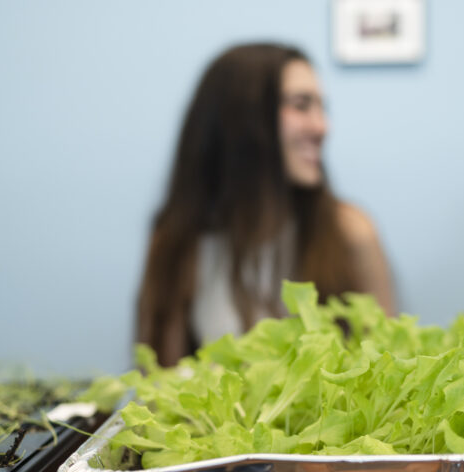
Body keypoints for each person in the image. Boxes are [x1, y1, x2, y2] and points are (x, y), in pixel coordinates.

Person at [135, 43, 395, 366]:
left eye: (320, 108)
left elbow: (387, 373)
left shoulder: (351, 232)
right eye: (301, 106)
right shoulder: (178, 241)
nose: (321, 126)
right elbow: (159, 389)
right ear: (242, 118)